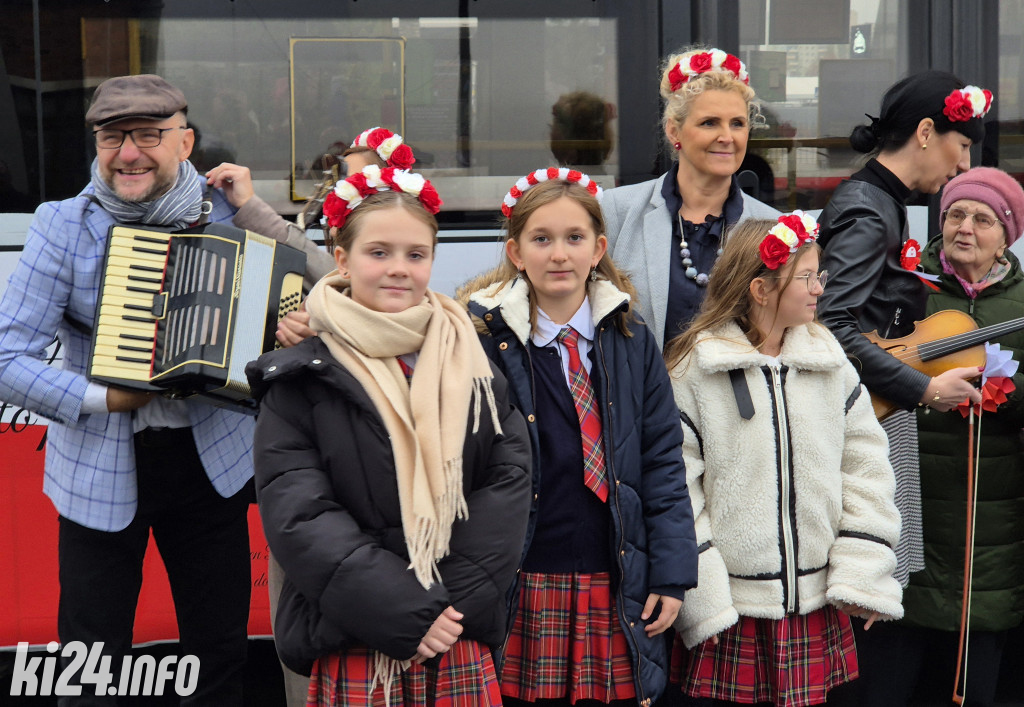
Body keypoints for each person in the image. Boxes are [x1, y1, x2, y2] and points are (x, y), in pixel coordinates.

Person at [0, 73, 317, 705]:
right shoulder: (63, 225)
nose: (129, 152)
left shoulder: (232, 210)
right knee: (89, 658)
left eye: (149, 134)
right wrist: (102, 396)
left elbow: (323, 282)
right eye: (113, 136)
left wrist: (290, 323)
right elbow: (7, 357)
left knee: (219, 648)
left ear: (185, 141)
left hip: (211, 463)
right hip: (99, 462)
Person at [246, 164, 532, 707]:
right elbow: (300, 515)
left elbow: (507, 486)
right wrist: (403, 611)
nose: (398, 269)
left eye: (415, 254)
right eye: (379, 252)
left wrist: (444, 611)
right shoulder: (298, 376)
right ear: (341, 259)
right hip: (356, 638)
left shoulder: (472, 362)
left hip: (454, 633)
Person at [460, 167, 698, 706]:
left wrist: (671, 573)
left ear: (599, 248)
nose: (559, 254)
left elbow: (663, 461)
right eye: (541, 239)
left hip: (611, 571)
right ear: (516, 252)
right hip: (524, 571)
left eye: (574, 238)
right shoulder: (480, 342)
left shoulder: (632, 339)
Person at [663, 214, 904, 706]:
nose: (820, 288)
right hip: (735, 609)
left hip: (817, 598)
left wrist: (863, 569)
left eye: (821, 276)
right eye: (807, 277)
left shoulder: (830, 362)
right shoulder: (694, 371)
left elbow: (866, 467)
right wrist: (705, 600)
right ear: (761, 288)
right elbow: (678, 494)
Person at [814, 72, 989, 704]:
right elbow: (833, 325)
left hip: (879, 409)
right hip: (873, 418)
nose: (964, 163)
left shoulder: (876, 200)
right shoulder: (867, 208)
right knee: (873, 595)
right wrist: (921, 387)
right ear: (924, 132)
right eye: (961, 146)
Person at [877, 167, 1024, 707]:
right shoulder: (906, 288)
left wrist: (1003, 386)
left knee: (974, 675)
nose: (965, 227)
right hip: (910, 496)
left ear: (1007, 235)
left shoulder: (1022, 303)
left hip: (991, 517)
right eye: (956, 214)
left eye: (983, 219)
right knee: (896, 671)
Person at [602, 47, 779, 348]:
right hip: (640, 394)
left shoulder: (772, 227)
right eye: (709, 122)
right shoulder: (617, 211)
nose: (727, 136)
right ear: (674, 131)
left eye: (737, 123)